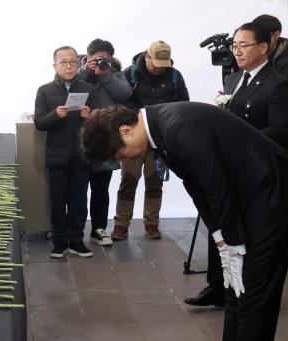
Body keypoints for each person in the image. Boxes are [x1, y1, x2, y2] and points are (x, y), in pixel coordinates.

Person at [81, 102, 288, 341]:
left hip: (271, 198)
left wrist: (231, 243)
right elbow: (199, 189)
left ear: (126, 130)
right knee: (235, 295)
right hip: (251, 199)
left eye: (119, 153)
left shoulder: (178, 128)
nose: (123, 159)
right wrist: (222, 240)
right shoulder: (162, 129)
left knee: (253, 298)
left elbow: (217, 188)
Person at [185, 22, 288, 308]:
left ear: (264, 47)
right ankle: (217, 284)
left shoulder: (277, 83)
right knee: (220, 222)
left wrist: (242, 142)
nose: (237, 51)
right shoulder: (235, 80)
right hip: (231, 167)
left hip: (257, 169)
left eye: (243, 45)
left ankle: (239, 287)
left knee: (243, 229)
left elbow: (282, 129)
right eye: (234, 46)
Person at [111, 40, 189, 241]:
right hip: (133, 136)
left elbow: (183, 103)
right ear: (146, 57)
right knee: (128, 180)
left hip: (160, 139)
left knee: (155, 182)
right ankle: (121, 224)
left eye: (162, 65)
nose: (157, 68)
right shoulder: (130, 74)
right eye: (154, 63)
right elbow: (120, 102)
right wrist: (142, 116)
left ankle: (152, 223)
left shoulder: (174, 75)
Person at [34, 45, 95, 258]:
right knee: (58, 201)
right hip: (58, 155)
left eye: (72, 62)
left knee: (79, 201)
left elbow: (99, 122)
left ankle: (77, 240)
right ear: (55, 65)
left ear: (78, 64)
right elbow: (39, 122)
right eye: (64, 62)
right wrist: (54, 115)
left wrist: (91, 115)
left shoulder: (88, 88)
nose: (69, 66)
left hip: (82, 154)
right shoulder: (45, 90)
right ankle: (59, 241)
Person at [77, 38, 133, 247]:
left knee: (101, 190)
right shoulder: (78, 73)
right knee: (78, 191)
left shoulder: (116, 75)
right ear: (88, 57)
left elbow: (125, 94)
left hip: (105, 142)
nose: (101, 62)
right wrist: (86, 72)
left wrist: (106, 74)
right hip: (81, 141)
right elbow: (70, 92)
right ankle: (75, 231)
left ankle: (99, 229)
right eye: (97, 59)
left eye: (105, 59)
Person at [252, 14, 288, 113]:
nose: (257, 40)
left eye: (262, 35)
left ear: (276, 35)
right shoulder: (251, 62)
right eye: (254, 36)